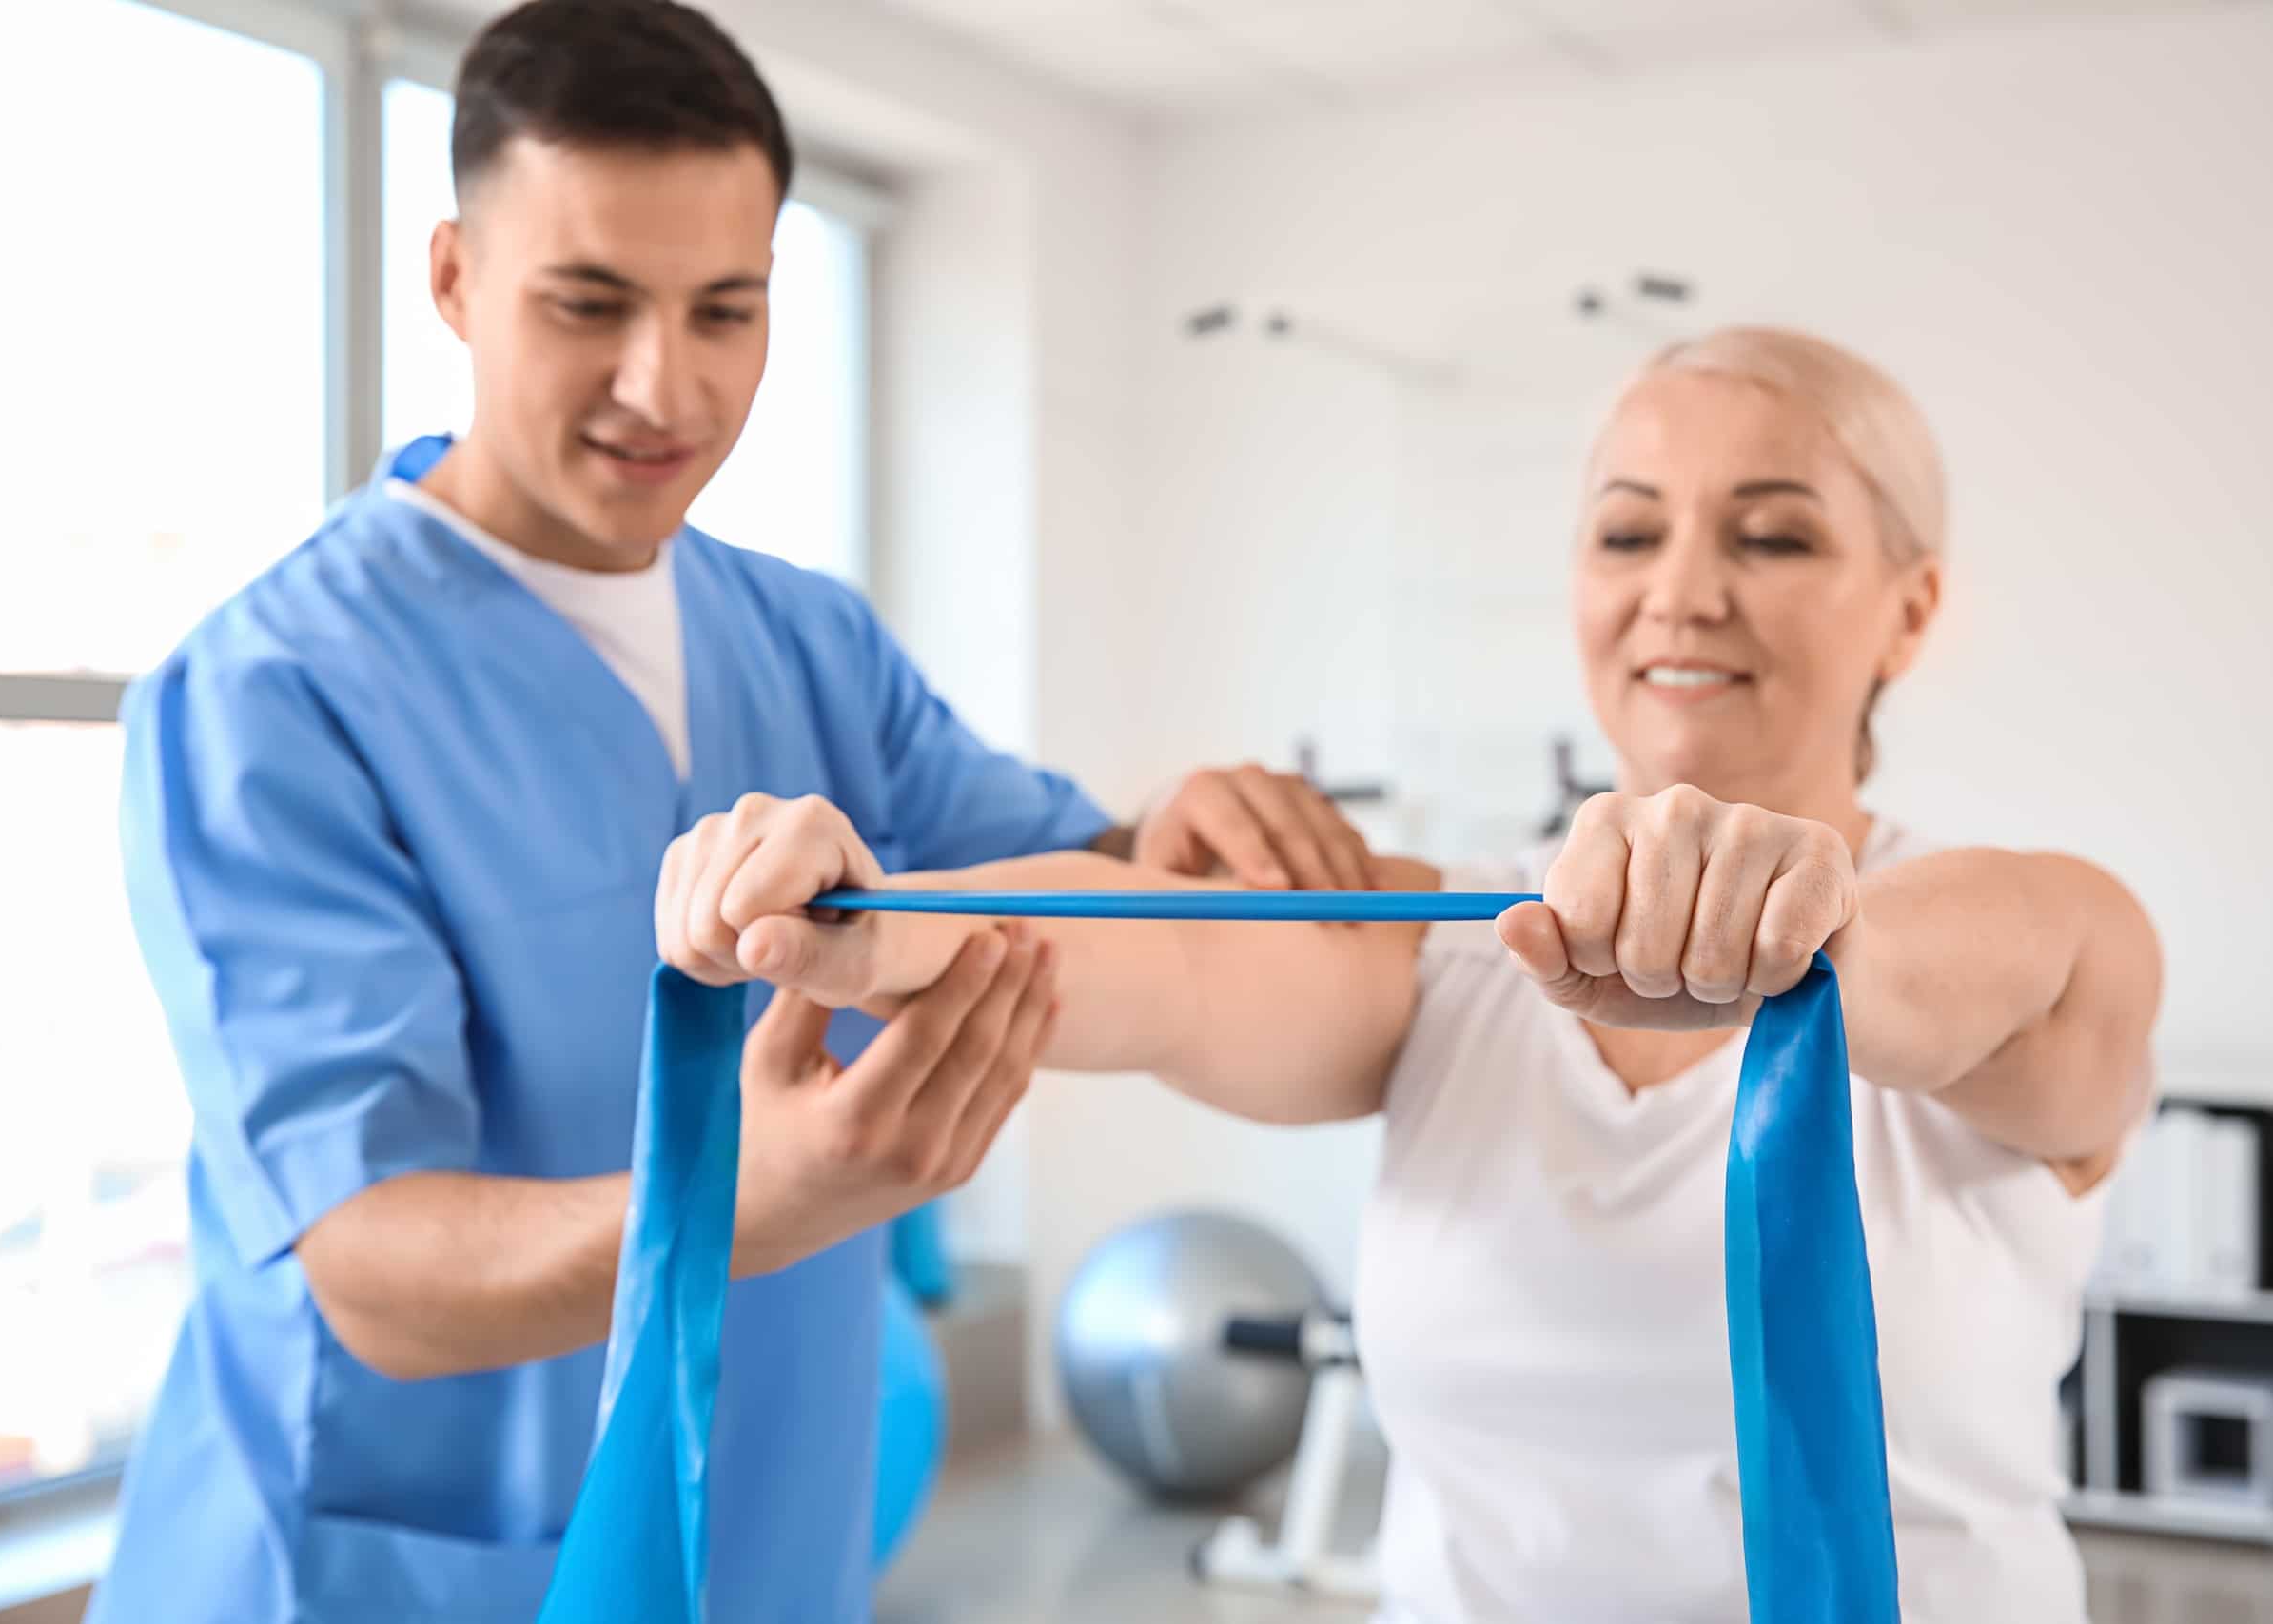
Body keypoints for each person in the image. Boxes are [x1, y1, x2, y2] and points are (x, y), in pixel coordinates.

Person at [94, 4, 1380, 1621]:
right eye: (590, 304)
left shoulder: (806, 640)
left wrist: (1185, 824)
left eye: (728, 309)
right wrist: (740, 1210)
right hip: (397, 1573)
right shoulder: (269, 696)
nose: (665, 383)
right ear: (451, 279)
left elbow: (1091, 869)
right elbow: (373, 1273)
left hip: (764, 1538)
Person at [656, 326, 2165, 1624]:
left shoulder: (2034, 937)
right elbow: (1148, 959)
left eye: (1772, 536)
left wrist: (1802, 928)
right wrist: (872, 918)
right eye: (1629, 533)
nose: (1683, 593)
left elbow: (1990, 964)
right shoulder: (1453, 943)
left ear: (1912, 606)